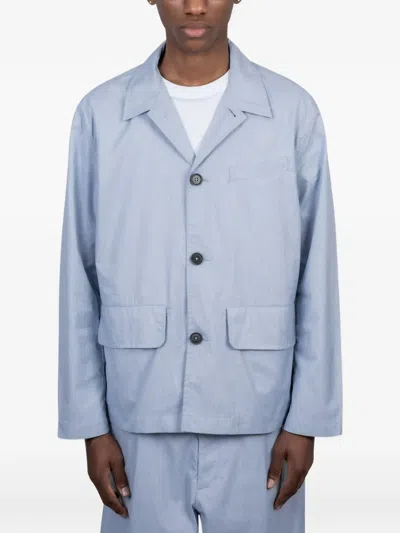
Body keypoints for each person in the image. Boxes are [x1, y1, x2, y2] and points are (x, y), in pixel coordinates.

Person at [57, 1, 343, 532]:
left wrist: (307, 419)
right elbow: (79, 271)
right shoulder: (101, 114)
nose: (194, 5)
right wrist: (90, 425)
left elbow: (316, 271)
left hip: (258, 405)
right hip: (139, 404)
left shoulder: (290, 111)